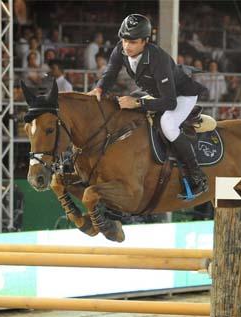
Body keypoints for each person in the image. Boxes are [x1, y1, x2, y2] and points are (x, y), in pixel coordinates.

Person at [87, 14, 208, 199]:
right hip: (158, 93)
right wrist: (100, 88)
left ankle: (197, 176)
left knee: (167, 124)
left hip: (182, 95)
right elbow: (110, 71)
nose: (127, 46)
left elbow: (170, 102)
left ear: (145, 41)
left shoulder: (158, 58)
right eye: (125, 40)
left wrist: (138, 102)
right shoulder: (121, 50)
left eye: (133, 42)